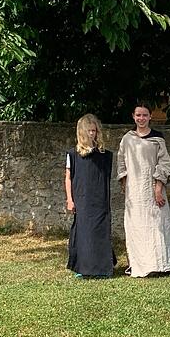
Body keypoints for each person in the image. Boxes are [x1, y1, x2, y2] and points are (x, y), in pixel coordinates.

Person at [117, 103, 170, 277]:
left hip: (153, 188)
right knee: (137, 226)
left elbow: (165, 164)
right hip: (134, 191)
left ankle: (161, 265)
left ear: (150, 116)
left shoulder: (157, 138)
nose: (141, 118)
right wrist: (124, 184)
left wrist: (158, 188)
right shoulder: (127, 138)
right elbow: (121, 162)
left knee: (158, 225)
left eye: (145, 115)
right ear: (133, 116)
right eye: (138, 115)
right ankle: (140, 265)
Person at [65, 114, 116, 278]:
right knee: (84, 234)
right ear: (82, 132)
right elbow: (68, 178)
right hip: (82, 199)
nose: (92, 134)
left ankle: (102, 268)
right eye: (89, 131)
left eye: (94, 131)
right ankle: (84, 267)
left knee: (100, 232)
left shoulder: (104, 155)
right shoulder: (73, 155)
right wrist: (70, 199)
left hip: (100, 199)